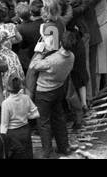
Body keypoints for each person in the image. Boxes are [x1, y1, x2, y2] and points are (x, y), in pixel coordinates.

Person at [26, 22, 75, 158]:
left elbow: (33, 66)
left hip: (44, 92)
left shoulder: (52, 60)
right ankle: (64, 146)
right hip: (58, 89)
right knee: (59, 118)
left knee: (43, 122)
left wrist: (41, 52)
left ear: (60, 43)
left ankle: (47, 151)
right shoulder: (71, 57)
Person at [0, 75, 39, 159]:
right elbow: (36, 114)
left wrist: (3, 140)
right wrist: (26, 116)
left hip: (12, 133)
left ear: (7, 88)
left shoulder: (6, 103)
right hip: (25, 130)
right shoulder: (26, 98)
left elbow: (4, 125)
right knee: (27, 154)